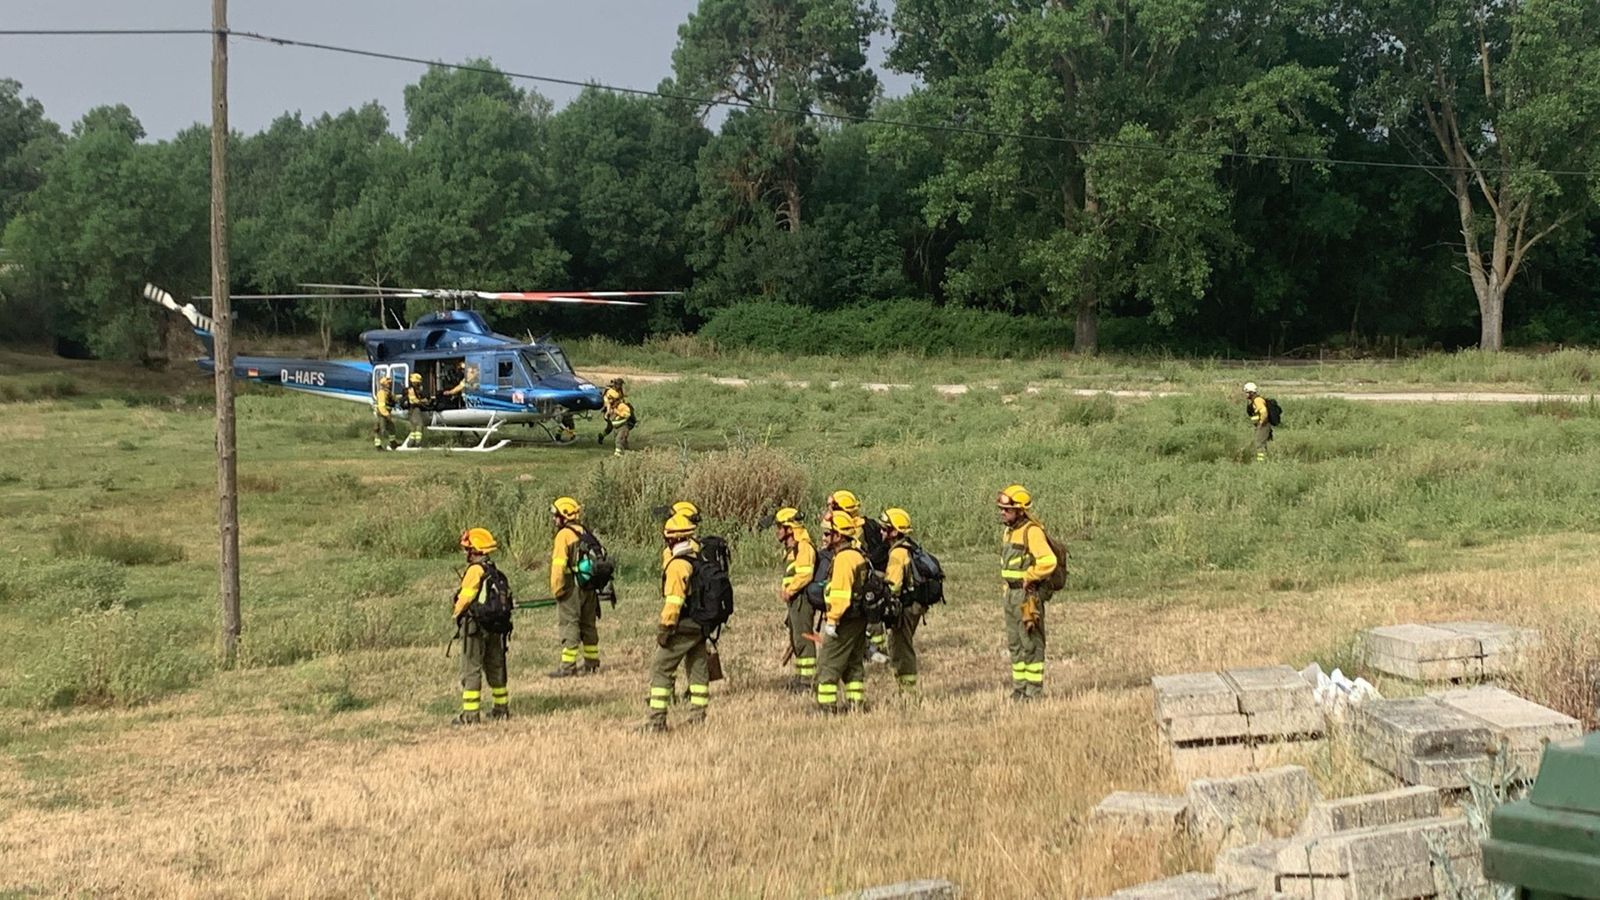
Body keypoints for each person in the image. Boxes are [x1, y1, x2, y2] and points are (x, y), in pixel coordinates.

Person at [645, 514, 709, 731]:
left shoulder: (677, 566)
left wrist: (665, 628)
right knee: (698, 668)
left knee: (660, 668)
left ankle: (656, 722)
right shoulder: (697, 559)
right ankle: (698, 717)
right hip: (701, 625)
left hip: (684, 625)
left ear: (671, 540)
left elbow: (674, 602)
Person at [998, 485, 1058, 701]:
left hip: (1026, 597)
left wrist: (1030, 575)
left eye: (1007, 509)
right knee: (1015, 644)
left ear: (1020, 510)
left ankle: (1034, 692)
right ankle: (1019, 689)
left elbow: (1049, 561)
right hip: (1011, 596)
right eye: (1002, 509)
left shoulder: (1032, 531)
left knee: (1031, 644)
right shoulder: (1009, 531)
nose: (1002, 513)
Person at [451, 527, 510, 724]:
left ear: (475, 550)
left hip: (475, 626)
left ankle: (470, 715)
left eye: (468, 549)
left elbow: (466, 597)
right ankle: (501, 708)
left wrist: (456, 613)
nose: (466, 553)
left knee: (471, 668)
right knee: (495, 665)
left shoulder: (475, 571)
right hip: (495, 626)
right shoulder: (494, 571)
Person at [827, 490, 891, 664]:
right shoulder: (848, 525)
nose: (829, 511)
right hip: (860, 575)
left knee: (867, 612)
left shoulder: (856, 530)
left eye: (833, 507)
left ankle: (874, 649)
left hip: (866, 578)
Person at [814, 510, 869, 714]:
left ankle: (826, 708)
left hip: (844, 619)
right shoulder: (856, 554)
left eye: (828, 534)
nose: (824, 538)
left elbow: (840, 594)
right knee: (853, 664)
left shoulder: (844, 559)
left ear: (839, 536)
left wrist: (832, 621)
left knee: (828, 663)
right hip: (857, 618)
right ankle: (856, 705)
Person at [547, 497, 601, 677]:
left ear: (563, 516)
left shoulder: (564, 535)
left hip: (572, 589)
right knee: (588, 625)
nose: (555, 520)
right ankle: (592, 663)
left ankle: (568, 667)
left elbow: (558, 566)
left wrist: (557, 588)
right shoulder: (584, 531)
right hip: (589, 587)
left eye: (556, 516)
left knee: (570, 625)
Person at [879, 507, 923, 695]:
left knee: (900, 649)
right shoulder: (908, 547)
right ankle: (905, 690)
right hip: (914, 605)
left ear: (894, 531)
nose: (881, 532)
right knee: (901, 647)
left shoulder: (897, 553)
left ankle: (908, 693)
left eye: (884, 528)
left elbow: (894, 586)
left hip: (905, 608)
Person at [775, 507, 818, 693]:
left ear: (789, 528)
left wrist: (789, 590)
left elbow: (805, 575)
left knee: (804, 640)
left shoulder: (804, 547)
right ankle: (801, 678)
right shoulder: (794, 547)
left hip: (801, 599)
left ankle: (807, 682)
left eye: (779, 527)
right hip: (795, 600)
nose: (776, 531)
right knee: (796, 640)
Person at [1244, 382, 1272, 463]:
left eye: (1246, 392)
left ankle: (1261, 462)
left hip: (1263, 425)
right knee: (1262, 443)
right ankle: (1266, 460)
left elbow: (1263, 411)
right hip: (1261, 425)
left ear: (1251, 392)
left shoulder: (1257, 400)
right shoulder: (1255, 400)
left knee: (1259, 444)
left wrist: (1261, 422)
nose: (1246, 394)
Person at [372, 374, 400, 450]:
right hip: (382, 414)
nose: (389, 385)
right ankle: (378, 446)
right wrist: (387, 415)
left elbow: (394, 399)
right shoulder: (381, 393)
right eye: (388, 384)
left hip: (386, 413)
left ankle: (393, 443)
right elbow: (381, 407)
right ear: (384, 384)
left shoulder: (388, 393)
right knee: (381, 429)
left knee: (391, 428)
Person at [404, 372, 431, 447]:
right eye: (418, 383)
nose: (419, 384)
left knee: (413, 427)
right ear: (414, 382)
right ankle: (417, 443)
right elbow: (414, 400)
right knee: (419, 424)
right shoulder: (411, 390)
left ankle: (411, 443)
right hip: (414, 409)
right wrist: (424, 401)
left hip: (415, 409)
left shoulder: (416, 389)